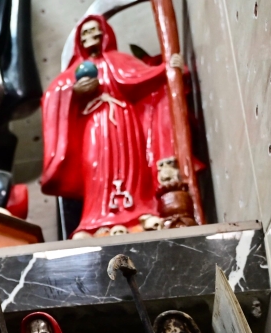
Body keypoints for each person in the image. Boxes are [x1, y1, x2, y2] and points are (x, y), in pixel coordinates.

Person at [41, 15, 178, 237]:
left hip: (123, 120)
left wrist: (168, 68)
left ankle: (139, 210)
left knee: (130, 164)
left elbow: (144, 77)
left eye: (95, 31)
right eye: (84, 33)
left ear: (105, 34)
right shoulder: (75, 72)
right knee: (97, 167)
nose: (90, 36)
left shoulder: (120, 60)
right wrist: (72, 91)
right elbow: (53, 94)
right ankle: (97, 219)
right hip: (94, 125)